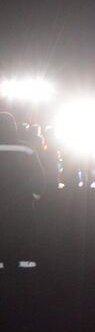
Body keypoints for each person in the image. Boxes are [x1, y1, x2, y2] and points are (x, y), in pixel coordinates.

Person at [0, 112, 45, 273]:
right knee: (22, 237)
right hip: (22, 204)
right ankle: (21, 271)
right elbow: (39, 176)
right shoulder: (26, 149)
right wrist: (35, 196)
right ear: (14, 127)